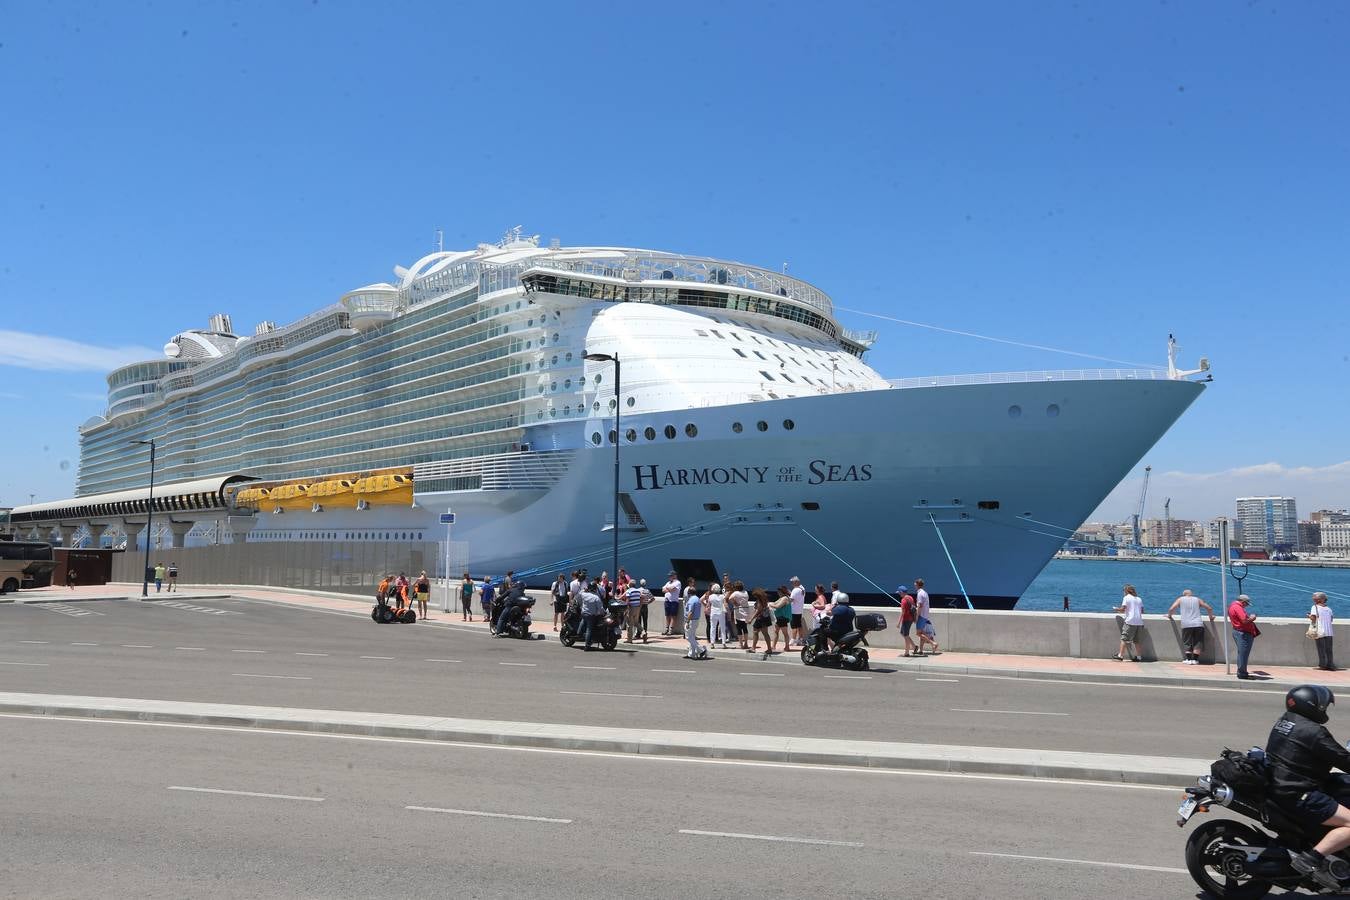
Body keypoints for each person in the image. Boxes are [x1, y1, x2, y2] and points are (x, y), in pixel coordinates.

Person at [1265, 684, 1350, 890]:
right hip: (1298, 792)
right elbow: (1342, 759)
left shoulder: (1286, 721)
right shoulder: (1314, 732)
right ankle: (1311, 859)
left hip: (1281, 785)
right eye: (1323, 705)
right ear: (1312, 706)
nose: (1325, 709)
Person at [1166, 588, 1215, 665]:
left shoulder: (1180, 599)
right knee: (1198, 642)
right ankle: (1195, 660)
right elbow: (1209, 608)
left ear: (1183, 594)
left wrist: (1169, 616)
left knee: (1187, 642)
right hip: (1198, 624)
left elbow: (1171, 609)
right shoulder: (1197, 599)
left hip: (1186, 624)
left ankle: (1188, 660)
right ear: (1191, 594)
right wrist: (1211, 617)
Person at [1230, 593, 1260, 680]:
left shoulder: (1232, 606)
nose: (1246, 606)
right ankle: (1242, 673)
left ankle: (1242, 672)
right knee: (1243, 654)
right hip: (1243, 633)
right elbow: (1244, 621)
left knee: (1242, 653)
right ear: (1243, 602)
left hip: (1239, 632)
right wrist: (1252, 618)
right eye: (1246, 604)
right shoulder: (1238, 608)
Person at [1112, 583, 1144, 662]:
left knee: (1124, 639)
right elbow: (1142, 611)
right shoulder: (1139, 599)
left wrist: (1116, 609)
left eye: (1123, 590)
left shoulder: (1126, 598)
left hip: (1130, 621)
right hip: (1139, 622)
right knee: (1137, 641)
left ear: (1126, 591)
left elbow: (1123, 609)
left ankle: (1120, 655)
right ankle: (1139, 657)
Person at [1311, 592, 1336, 672]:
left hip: (1320, 631)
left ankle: (1322, 665)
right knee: (1329, 649)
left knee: (1321, 649)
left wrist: (1309, 616)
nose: (1313, 598)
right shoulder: (1329, 609)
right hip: (1329, 631)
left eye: (1314, 597)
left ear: (1319, 599)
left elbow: (1313, 618)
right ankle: (1330, 665)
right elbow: (1331, 619)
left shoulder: (1315, 607)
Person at [914, 578, 939, 655]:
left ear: (917, 584)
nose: (914, 585)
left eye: (915, 584)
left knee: (918, 633)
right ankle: (921, 650)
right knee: (922, 633)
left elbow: (920, 606)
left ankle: (933, 643)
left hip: (921, 616)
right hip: (925, 616)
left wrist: (917, 616)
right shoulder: (925, 593)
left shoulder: (920, 594)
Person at [682, 582, 705, 660]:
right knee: (692, 637)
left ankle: (701, 650)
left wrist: (687, 622)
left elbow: (690, 612)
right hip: (696, 620)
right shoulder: (697, 599)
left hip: (691, 620)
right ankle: (691, 654)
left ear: (689, 593)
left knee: (688, 637)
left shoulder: (692, 600)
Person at [579, 582, 605, 651]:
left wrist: (585, 589)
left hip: (584, 614)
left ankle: (579, 633)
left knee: (583, 621)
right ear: (595, 589)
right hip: (591, 615)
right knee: (589, 629)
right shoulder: (596, 598)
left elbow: (580, 592)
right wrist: (603, 613)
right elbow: (601, 609)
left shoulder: (584, 594)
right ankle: (587, 645)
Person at [749, 588, 774, 655]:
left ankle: (753, 648)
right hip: (765, 618)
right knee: (764, 633)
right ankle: (769, 649)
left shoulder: (760, 601)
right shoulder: (764, 599)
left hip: (761, 618)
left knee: (756, 632)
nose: (754, 597)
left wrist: (751, 619)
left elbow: (758, 611)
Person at [896, 585, 918, 657]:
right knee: (903, 633)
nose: (899, 594)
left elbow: (903, 612)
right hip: (911, 619)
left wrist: (898, 623)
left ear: (902, 592)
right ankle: (914, 646)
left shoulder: (903, 600)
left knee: (905, 635)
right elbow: (914, 608)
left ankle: (907, 652)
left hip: (906, 620)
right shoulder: (910, 597)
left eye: (899, 592)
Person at [728, 581, 750, 650]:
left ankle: (741, 644)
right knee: (745, 628)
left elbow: (729, 598)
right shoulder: (746, 592)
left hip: (739, 612)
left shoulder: (736, 593)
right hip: (746, 611)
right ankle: (746, 643)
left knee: (739, 628)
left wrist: (735, 603)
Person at [706, 583, 729, 648]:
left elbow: (708, 605)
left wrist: (707, 610)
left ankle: (712, 643)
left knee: (713, 627)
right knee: (722, 628)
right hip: (721, 612)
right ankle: (724, 643)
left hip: (713, 613)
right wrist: (728, 612)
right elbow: (725, 604)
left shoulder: (710, 597)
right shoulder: (722, 596)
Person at [771, 585, 792, 654]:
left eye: (779, 591)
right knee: (776, 631)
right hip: (780, 618)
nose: (777, 593)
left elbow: (777, 606)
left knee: (785, 633)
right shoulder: (782, 598)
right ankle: (773, 646)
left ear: (781, 592)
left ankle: (787, 647)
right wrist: (771, 604)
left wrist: (770, 605)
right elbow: (775, 603)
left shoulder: (785, 598)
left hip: (782, 618)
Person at [788, 576, 806, 648]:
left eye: (792, 582)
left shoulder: (795, 590)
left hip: (794, 611)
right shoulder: (802, 588)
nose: (791, 584)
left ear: (796, 582)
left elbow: (791, 600)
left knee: (794, 626)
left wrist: (786, 597)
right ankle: (801, 639)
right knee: (799, 625)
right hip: (799, 610)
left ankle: (793, 640)